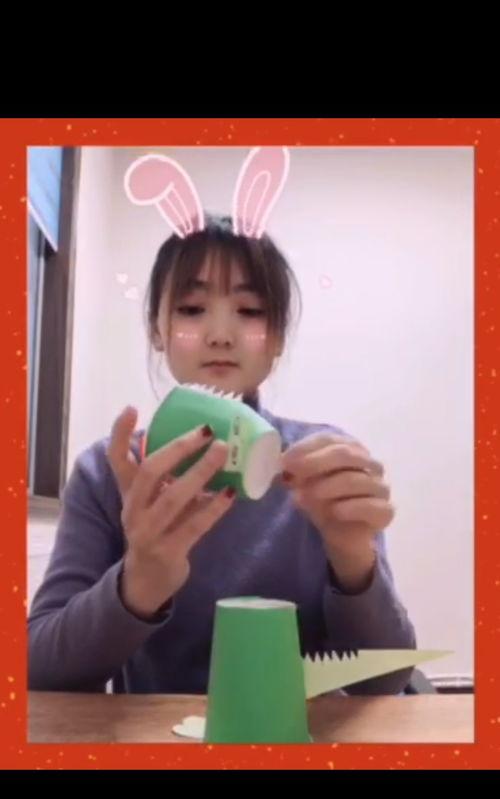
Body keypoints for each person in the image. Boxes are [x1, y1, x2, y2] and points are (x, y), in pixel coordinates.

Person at [28, 150, 416, 695]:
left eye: (250, 312)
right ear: (158, 329)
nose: (219, 334)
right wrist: (141, 581)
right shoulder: (108, 472)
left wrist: (354, 560)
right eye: (191, 310)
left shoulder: (323, 468)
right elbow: (37, 669)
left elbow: (387, 682)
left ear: (276, 339)